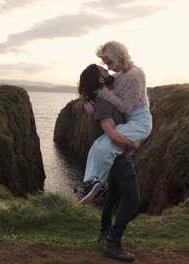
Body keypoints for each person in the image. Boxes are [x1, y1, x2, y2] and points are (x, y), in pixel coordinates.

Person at [78, 64, 140, 262]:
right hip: (118, 156)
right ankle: (113, 243)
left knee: (113, 195)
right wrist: (132, 145)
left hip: (113, 156)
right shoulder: (103, 103)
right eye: (103, 70)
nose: (108, 71)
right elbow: (112, 135)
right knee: (132, 201)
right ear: (100, 80)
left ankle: (105, 231)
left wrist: (84, 101)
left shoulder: (102, 98)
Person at [80, 41, 152, 205]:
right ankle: (91, 181)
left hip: (140, 122)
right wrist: (87, 100)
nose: (109, 68)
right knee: (98, 145)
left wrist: (102, 93)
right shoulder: (119, 75)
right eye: (106, 65)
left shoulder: (135, 75)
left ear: (119, 56)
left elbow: (126, 107)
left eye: (110, 63)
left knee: (108, 146)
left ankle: (102, 184)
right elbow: (96, 84)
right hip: (130, 122)